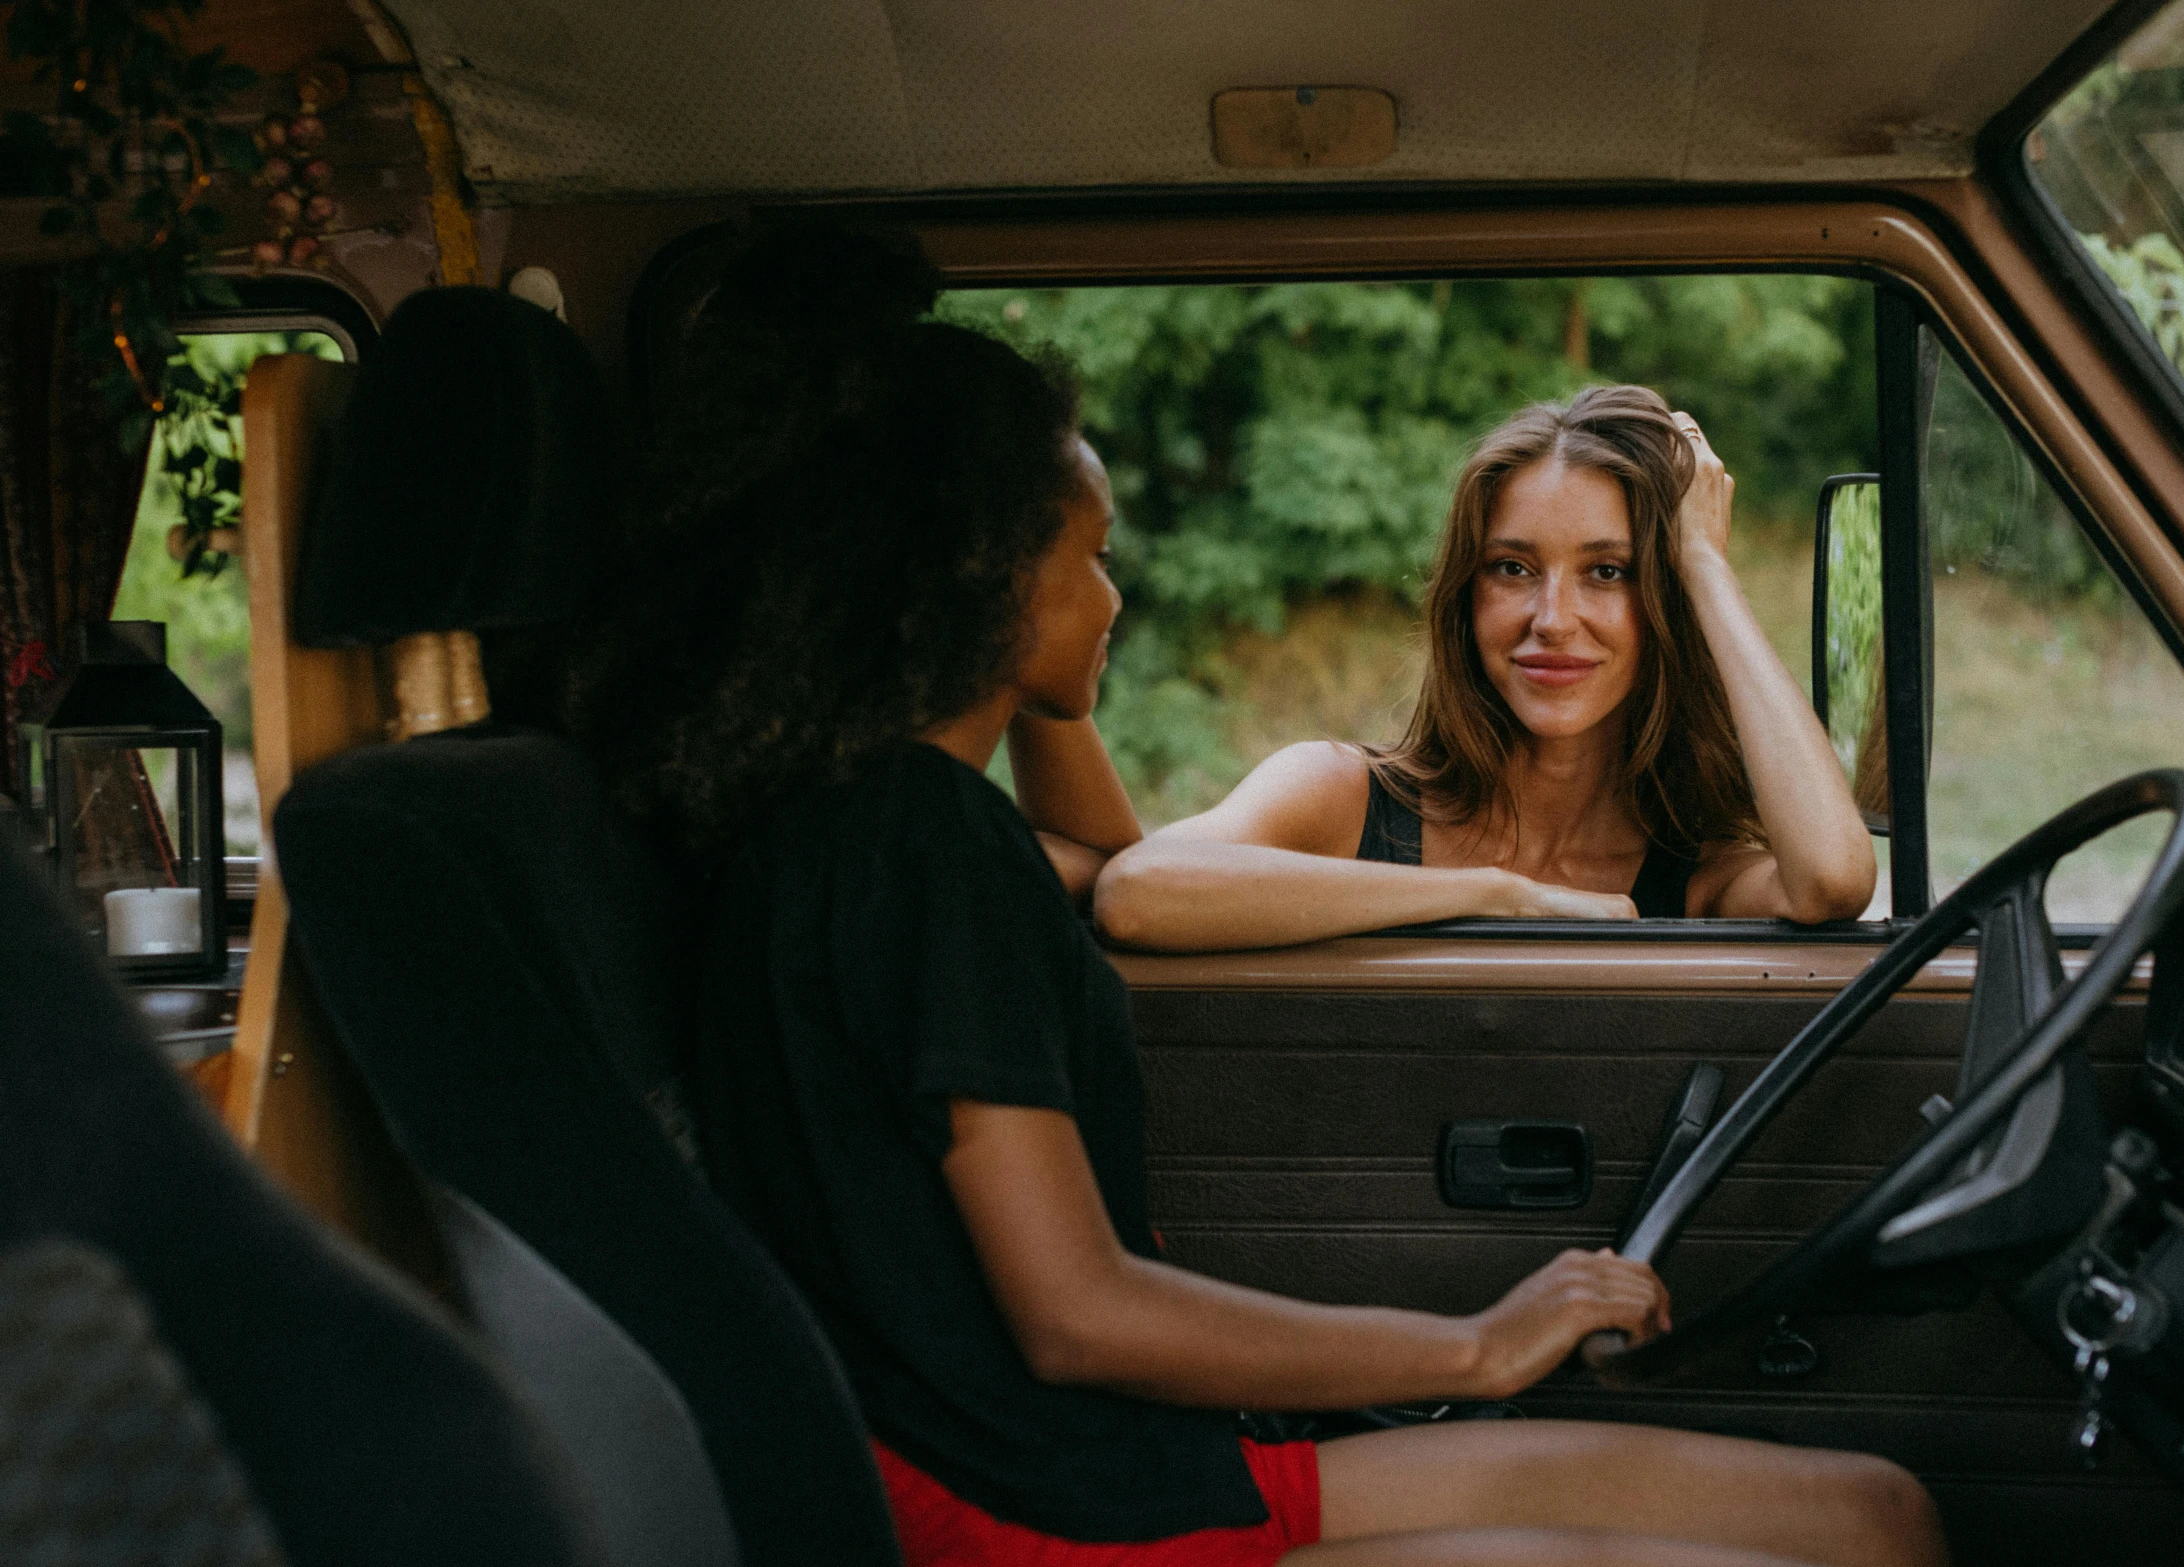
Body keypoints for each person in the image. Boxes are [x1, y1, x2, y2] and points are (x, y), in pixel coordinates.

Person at [569, 229, 1943, 1567]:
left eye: (1607, 573)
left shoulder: (872, 825)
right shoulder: (921, 850)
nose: (1115, 596)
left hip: (1106, 1462)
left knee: (1873, 1512)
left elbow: (1104, 862)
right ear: (976, 577)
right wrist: (1474, 1339)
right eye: (1089, 555)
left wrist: (1703, 557)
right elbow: (1077, 1313)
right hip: (1063, 1512)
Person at [1091, 390, 1878, 953]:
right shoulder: (1342, 798)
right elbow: (1138, 891)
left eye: (1608, 572)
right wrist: (1500, 897)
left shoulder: (1698, 882)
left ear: (1665, 605)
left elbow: (1834, 880)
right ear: (1466, 599)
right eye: (1512, 568)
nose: (1552, 617)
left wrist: (1704, 564)